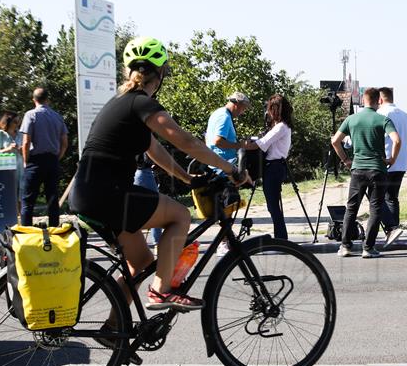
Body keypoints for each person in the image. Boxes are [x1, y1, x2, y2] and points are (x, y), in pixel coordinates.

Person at [70, 36, 249, 312]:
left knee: (139, 264)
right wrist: (231, 169)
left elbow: (155, 148)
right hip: (107, 194)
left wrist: (187, 178)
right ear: (161, 72)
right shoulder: (140, 103)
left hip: (89, 194)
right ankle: (162, 291)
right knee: (180, 215)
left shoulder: (124, 103)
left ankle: (114, 330)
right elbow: (184, 141)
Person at [330, 87, 401, 258]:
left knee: (351, 208)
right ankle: (368, 248)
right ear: (379, 101)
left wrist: (346, 160)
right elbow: (397, 140)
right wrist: (391, 159)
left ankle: (345, 246)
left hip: (358, 169)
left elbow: (335, 141)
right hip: (378, 169)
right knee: (375, 208)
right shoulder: (382, 119)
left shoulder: (351, 119)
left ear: (363, 100)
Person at [242, 94, 293, 240]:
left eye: (270, 109)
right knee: (272, 205)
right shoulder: (279, 126)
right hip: (273, 166)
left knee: (273, 205)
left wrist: (242, 146)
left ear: (275, 110)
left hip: (275, 167)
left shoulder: (281, 127)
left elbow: (262, 144)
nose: (268, 112)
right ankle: (280, 236)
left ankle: (281, 238)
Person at [205, 91, 250, 255]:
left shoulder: (218, 113)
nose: (243, 112)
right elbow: (218, 141)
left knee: (227, 207)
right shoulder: (224, 116)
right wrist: (238, 145)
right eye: (243, 108)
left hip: (218, 166)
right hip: (222, 169)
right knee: (228, 207)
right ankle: (223, 243)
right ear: (237, 104)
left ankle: (226, 240)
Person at [19, 87, 68, 227]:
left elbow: (26, 141)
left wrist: (25, 160)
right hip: (52, 160)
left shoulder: (30, 115)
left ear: (34, 100)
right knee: (52, 199)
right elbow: (64, 143)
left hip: (35, 161)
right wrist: (57, 158)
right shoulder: (57, 116)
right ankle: (54, 232)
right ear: (48, 100)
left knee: (28, 200)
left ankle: (26, 233)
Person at [377, 87, 407, 248]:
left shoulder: (381, 114)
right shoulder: (405, 115)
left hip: (386, 161)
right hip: (401, 163)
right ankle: (394, 230)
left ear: (380, 99)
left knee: (378, 198)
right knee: (392, 197)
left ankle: (391, 229)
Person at [133, 153, 163, 244]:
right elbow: (150, 156)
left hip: (133, 174)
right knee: (157, 208)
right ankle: (157, 242)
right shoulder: (144, 140)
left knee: (134, 209)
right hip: (143, 173)